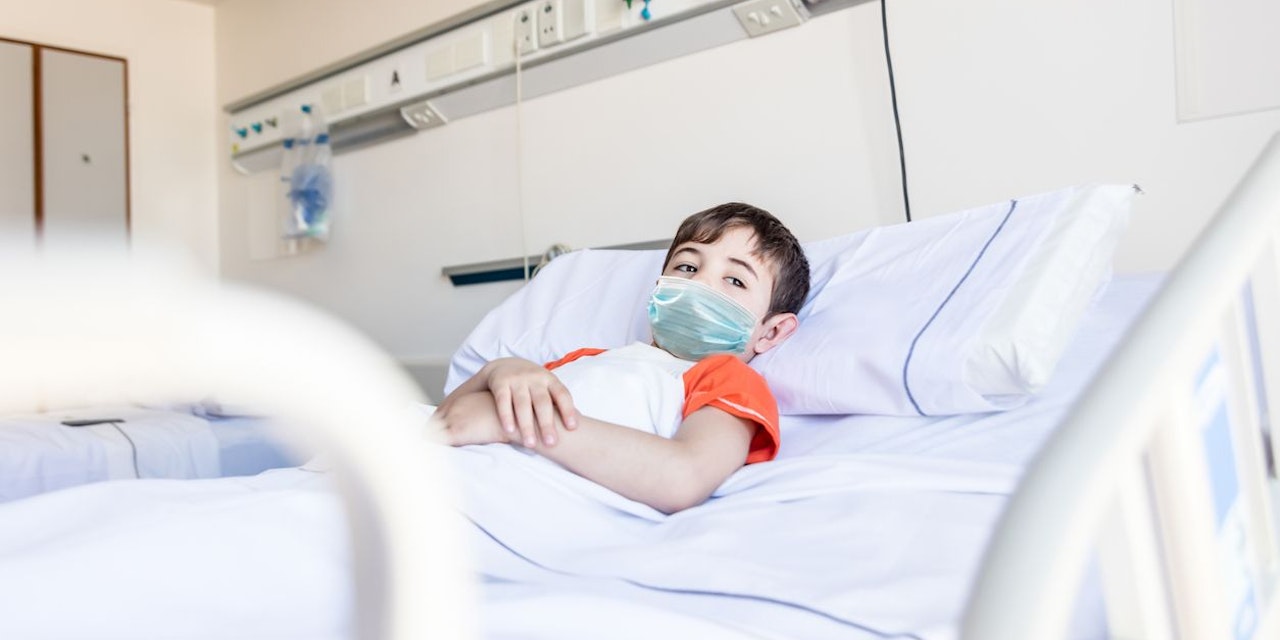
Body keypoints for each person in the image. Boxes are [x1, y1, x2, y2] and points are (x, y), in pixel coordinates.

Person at [431, 202, 810, 513]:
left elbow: (683, 477)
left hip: (507, 502)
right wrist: (499, 371)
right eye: (687, 267)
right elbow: (450, 420)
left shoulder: (727, 379)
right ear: (660, 287)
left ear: (771, 331)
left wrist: (518, 424)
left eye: (735, 280)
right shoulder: (585, 359)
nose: (698, 282)